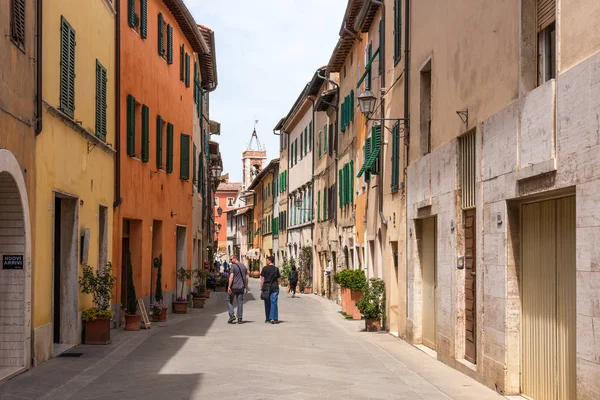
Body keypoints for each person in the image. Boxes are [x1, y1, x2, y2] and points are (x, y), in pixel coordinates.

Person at [227, 256, 248, 324]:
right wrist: (246, 286)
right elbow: (246, 277)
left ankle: (232, 315)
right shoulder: (243, 266)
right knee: (240, 302)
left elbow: (231, 277)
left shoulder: (233, 266)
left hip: (234, 287)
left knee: (229, 300)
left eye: (231, 259)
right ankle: (239, 318)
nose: (230, 260)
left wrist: (229, 286)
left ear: (235, 258)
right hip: (241, 287)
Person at [261, 255, 280, 324]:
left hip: (266, 287)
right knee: (274, 302)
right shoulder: (276, 269)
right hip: (274, 287)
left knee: (267, 303)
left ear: (269, 260)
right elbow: (278, 279)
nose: (266, 261)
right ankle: (273, 318)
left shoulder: (264, 268)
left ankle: (268, 318)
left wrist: (261, 289)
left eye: (267, 260)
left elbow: (262, 279)